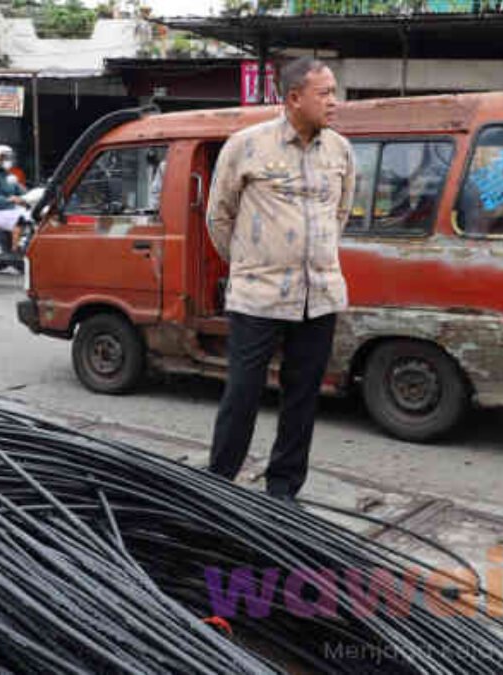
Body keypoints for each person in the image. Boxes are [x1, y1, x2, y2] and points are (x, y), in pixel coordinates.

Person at [205, 57, 355, 503]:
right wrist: (249, 265)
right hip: (258, 297)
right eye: (324, 93)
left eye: (334, 92)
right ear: (294, 98)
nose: (334, 102)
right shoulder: (247, 145)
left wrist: (315, 258)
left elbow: (341, 213)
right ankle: (219, 486)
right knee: (242, 393)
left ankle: (283, 491)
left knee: (303, 396)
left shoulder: (340, 151)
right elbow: (218, 216)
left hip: (319, 296)